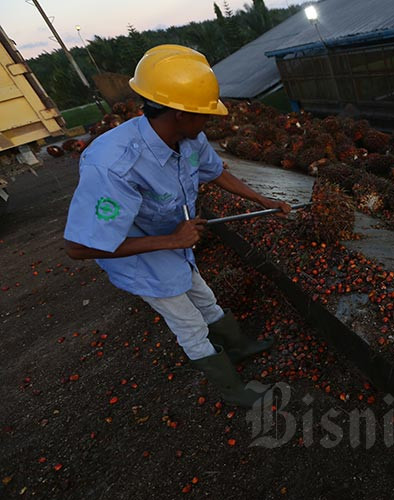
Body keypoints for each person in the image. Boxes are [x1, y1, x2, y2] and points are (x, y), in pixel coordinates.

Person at [63, 45, 288, 407]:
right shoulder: (115, 165)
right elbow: (78, 248)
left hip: (173, 242)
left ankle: (240, 347)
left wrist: (262, 201)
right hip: (139, 255)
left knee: (203, 296)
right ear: (180, 114)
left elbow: (215, 173)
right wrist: (170, 240)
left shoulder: (190, 138)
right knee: (188, 322)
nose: (209, 121)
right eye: (204, 114)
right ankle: (232, 389)